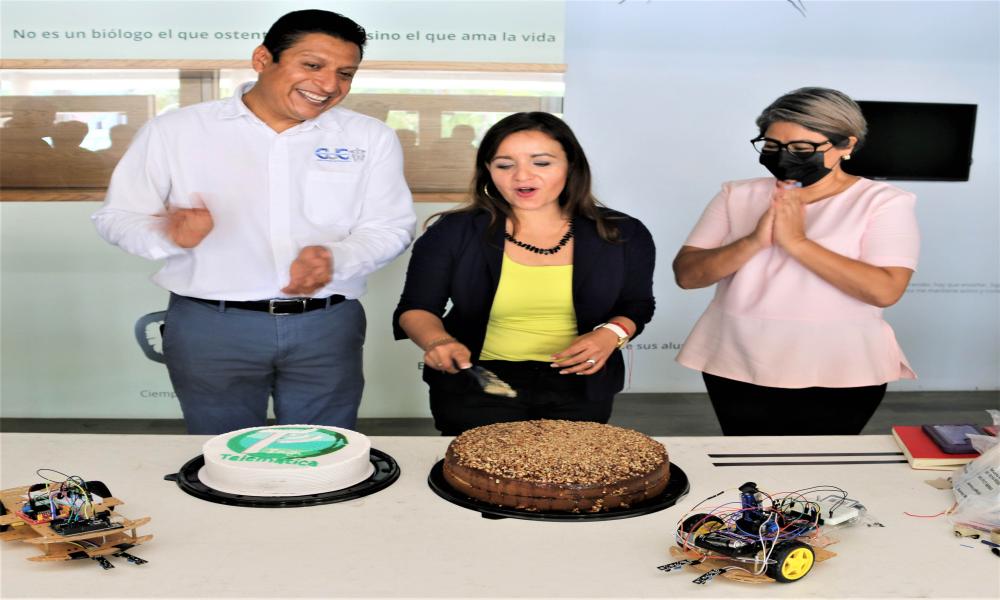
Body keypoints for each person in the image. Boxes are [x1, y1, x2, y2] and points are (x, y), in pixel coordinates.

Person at [92, 10, 416, 434]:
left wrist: (337, 257)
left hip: (326, 324)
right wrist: (168, 234)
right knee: (218, 453)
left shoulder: (368, 137)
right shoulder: (177, 131)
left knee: (323, 452)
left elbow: (391, 227)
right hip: (212, 325)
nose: (329, 85)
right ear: (263, 59)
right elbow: (117, 217)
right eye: (312, 65)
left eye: (345, 73)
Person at [673, 87, 920, 436]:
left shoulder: (883, 202)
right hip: (737, 358)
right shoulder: (737, 195)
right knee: (748, 461)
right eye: (772, 146)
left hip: (841, 366)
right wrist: (755, 240)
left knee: (818, 473)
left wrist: (796, 242)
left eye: (802, 149)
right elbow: (687, 275)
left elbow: (885, 290)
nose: (784, 157)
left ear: (846, 145)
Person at [392, 112, 655, 435]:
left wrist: (611, 335)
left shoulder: (622, 233)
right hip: (478, 383)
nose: (522, 176)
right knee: (479, 479)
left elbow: (637, 305)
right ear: (488, 170)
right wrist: (439, 341)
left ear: (571, 166)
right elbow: (416, 308)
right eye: (505, 165)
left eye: (541, 163)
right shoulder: (454, 231)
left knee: (567, 478)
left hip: (580, 383)